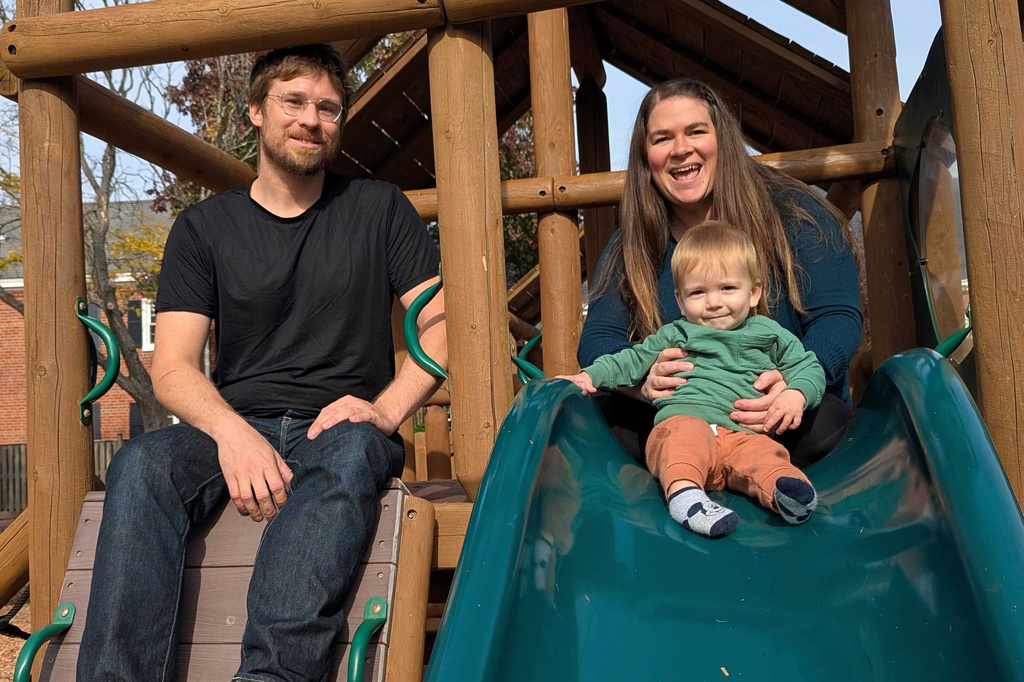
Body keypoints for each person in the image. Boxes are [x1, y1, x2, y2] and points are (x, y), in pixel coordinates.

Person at [78, 44, 447, 682]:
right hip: (233, 423)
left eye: (328, 108)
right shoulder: (203, 228)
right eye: (294, 102)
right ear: (256, 111)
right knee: (139, 463)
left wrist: (383, 411)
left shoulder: (380, 209)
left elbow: (443, 333)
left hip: (338, 427)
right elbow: (172, 367)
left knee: (357, 449)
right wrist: (232, 434)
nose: (312, 119)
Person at [579, 78, 862, 468]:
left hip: (777, 417)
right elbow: (598, 338)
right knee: (597, 421)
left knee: (828, 420)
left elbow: (839, 318)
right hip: (680, 421)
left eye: (696, 131)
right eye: (662, 139)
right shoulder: (631, 245)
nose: (681, 149)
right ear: (646, 157)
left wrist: (793, 385)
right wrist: (640, 385)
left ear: (722, 139)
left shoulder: (796, 216)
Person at [562, 222, 824, 538]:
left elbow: (808, 367)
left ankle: (786, 492)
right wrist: (589, 376)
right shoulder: (677, 334)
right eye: (698, 292)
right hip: (687, 422)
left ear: (754, 292)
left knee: (765, 455)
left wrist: (795, 393)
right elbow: (629, 360)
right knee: (680, 442)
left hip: (743, 433)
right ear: (681, 299)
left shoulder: (770, 335)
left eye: (727, 288)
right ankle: (686, 498)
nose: (713, 302)